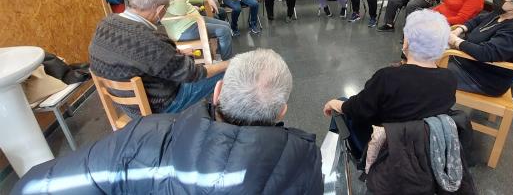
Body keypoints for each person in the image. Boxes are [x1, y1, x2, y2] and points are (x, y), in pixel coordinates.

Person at [14, 49, 323, 195]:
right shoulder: (304, 155)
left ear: (217, 92)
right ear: (281, 111)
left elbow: (35, 186)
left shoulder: (143, 136)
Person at [323, 9, 457, 158]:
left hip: (384, 150)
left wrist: (334, 104)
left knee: (342, 102)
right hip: (428, 151)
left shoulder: (387, 78)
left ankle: (330, 156)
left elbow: (358, 109)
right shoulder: (450, 79)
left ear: (406, 42)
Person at [89, 0, 228, 116]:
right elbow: (194, 74)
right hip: (161, 106)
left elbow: (137, 58)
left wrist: (174, 54)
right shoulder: (150, 41)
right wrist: (229, 63)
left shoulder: (105, 23)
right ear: (160, 10)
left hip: (127, 106)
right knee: (227, 72)